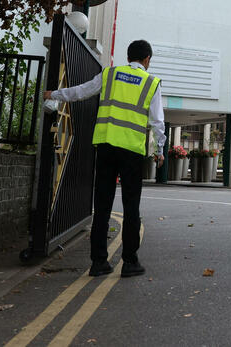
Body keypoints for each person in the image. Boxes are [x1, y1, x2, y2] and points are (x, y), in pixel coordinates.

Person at [45, 39, 165, 278]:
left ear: (128, 56)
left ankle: (98, 262)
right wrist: (159, 150)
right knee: (131, 207)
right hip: (131, 151)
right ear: (147, 60)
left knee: (102, 206)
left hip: (106, 147)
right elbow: (157, 122)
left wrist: (55, 94)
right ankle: (130, 263)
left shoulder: (110, 74)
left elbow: (81, 91)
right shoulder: (151, 82)